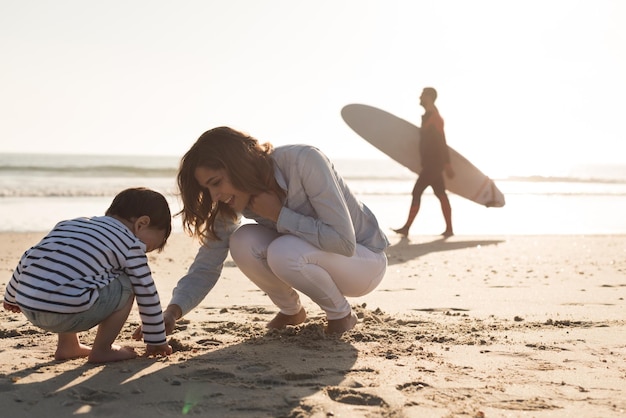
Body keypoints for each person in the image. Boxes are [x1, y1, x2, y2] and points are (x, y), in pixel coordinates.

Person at [154, 126, 389, 336]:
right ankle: (291, 311)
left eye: (216, 183)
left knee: (282, 250)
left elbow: (344, 243)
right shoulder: (233, 200)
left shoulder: (304, 160)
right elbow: (207, 264)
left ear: (238, 165)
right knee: (242, 240)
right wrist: (173, 312)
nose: (215, 196)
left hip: (364, 262)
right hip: (309, 257)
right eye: (208, 188)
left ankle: (341, 315)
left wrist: (279, 215)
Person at [3, 187, 174, 363]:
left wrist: (11, 297)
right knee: (128, 282)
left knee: (72, 273)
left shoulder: (70, 224)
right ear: (141, 224)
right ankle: (102, 350)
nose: (143, 252)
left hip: (29, 306)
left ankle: (68, 346)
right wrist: (156, 340)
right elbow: (146, 290)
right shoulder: (131, 243)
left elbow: (29, 255)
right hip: (68, 313)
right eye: (148, 247)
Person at [393, 87, 455, 237]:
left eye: (422, 95)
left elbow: (442, 141)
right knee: (440, 193)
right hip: (430, 164)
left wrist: (447, 164)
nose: (419, 97)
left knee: (417, 191)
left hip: (434, 164)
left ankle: (407, 228)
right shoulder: (428, 116)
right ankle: (449, 229)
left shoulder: (435, 118)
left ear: (428, 97)